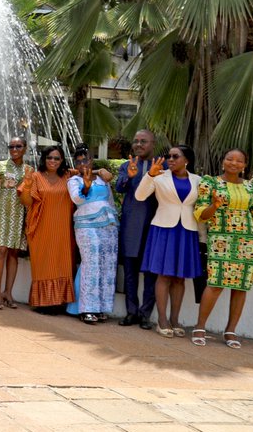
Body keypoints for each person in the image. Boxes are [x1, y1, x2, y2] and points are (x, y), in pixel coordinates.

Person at [192, 149, 253, 349]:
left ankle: (231, 330)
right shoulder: (211, 183)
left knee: (241, 286)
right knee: (215, 283)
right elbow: (201, 214)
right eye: (229, 159)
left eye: (239, 160)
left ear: (244, 165)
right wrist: (215, 205)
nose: (234, 163)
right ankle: (200, 327)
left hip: (247, 241)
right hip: (221, 239)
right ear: (223, 161)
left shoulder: (251, 187)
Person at [135, 145, 202, 337]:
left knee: (180, 278)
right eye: (168, 156)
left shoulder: (198, 180)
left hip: (187, 230)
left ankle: (175, 319)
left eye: (175, 156)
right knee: (163, 275)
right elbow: (140, 196)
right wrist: (150, 175)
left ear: (187, 160)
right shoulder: (159, 176)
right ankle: (162, 320)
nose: (170, 159)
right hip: (163, 229)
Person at [19, 145, 75, 312]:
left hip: (63, 229)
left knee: (62, 263)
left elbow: (86, 175)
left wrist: (100, 171)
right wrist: (27, 184)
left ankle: (58, 303)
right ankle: (43, 302)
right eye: (50, 157)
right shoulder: (35, 177)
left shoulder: (68, 176)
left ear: (62, 160)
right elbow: (26, 202)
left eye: (57, 158)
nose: (53, 161)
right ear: (44, 159)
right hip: (40, 228)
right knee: (43, 265)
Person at [67, 146, 119, 323]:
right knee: (91, 263)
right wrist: (87, 186)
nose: (82, 164)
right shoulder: (74, 180)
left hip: (108, 225)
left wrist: (115, 223)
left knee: (107, 265)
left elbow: (110, 201)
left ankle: (101, 307)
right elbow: (77, 199)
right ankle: (87, 308)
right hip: (85, 224)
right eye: (79, 161)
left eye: (86, 159)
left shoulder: (103, 178)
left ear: (92, 160)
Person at [114, 129, 159, 329]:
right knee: (131, 271)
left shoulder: (163, 166)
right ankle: (131, 312)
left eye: (144, 141)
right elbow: (119, 188)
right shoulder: (127, 165)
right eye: (136, 141)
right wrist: (129, 177)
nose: (139, 144)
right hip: (131, 224)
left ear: (153, 144)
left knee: (151, 271)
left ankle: (145, 314)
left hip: (155, 225)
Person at [0, 137, 32, 308]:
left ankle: (8, 292)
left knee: (13, 252)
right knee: (0, 250)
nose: (14, 149)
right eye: (11, 146)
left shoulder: (29, 169)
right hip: (1, 213)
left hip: (19, 213)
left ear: (25, 148)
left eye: (18, 146)